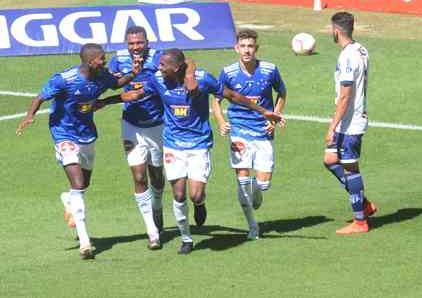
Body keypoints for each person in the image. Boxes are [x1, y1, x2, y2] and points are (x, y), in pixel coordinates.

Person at [116, 49, 282, 255]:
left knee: (195, 195)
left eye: (162, 65)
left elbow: (232, 95)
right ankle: (186, 238)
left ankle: (200, 203)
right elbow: (135, 94)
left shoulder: (203, 79)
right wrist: (106, 102)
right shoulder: (157, 79)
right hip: (173, 145)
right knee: (178, 194)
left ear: (175, 68)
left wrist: (264, 111)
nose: (158, 68)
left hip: (199, 144)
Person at [16, 43, 140, 260]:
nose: (105, 61)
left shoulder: (102, 76)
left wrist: (133, 74)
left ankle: (68, 199)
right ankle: (85, 242)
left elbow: (116, 83)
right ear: (91, 61)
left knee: (83, 184)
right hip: (64, 134)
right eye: (102, 58)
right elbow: (41, 96)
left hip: (87, 134)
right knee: (79, 185)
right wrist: (30, 115)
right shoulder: (65, 79)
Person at [211, 29, 287, 240]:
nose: (247, 50)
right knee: (243, 183)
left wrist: (275, 116)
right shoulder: (228, 72)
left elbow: (282, 92)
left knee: (263, 185)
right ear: (237, 48)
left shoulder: (270, 70)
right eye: (243, 46)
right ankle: (252, 227)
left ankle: (256, 186)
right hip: (239, 131)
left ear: (256, 49)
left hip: (263, 131)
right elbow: (216, 100)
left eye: (250, 46)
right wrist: (221, 121)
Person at [107, 26, 165, 250]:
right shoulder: (118, 60)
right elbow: (109, 82)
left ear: (147, 42)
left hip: (157, 125)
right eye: (131, 43)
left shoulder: (159, 58)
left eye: (139, 43)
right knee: (139, 177)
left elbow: (180, 67)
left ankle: (158, 205)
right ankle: (152, 232)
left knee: (157, 175)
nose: (135, 48)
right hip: (131, 125)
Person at [324, 12, 377, 235]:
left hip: (350, 122)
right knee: (330, 160)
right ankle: (364, 205)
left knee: (350, 168)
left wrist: (332, 126)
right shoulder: (360, 49)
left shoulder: (348, 57)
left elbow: (346, 95)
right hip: (349, 119)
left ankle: (360, 221)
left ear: (336, 30)